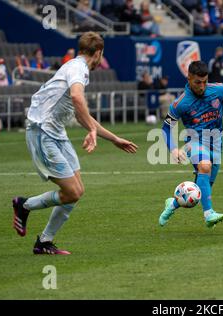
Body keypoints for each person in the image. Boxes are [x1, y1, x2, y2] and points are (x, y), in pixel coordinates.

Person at [12, 32, 138, 255]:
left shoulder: (76, 68)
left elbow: (82, 115)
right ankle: (24, 205)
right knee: (72, 192)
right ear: (98, 53)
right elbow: (78, 99)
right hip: (42, 132)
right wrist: (91, 130)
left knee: (77, 191)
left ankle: (44, 242)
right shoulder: (78, 69)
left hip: (56, 132)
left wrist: (114, 138)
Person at [159, 60, 223, 228]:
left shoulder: (216, 89)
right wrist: (173, 150)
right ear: (188, 78)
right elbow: (166, 128)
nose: (202, 86)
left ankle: (172, 204)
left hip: (216, 143)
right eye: (198, 82)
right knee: (204, 166)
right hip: (194, 142)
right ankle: (209, 214)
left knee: (200, 192)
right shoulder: (181, 103)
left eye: (205, 82)